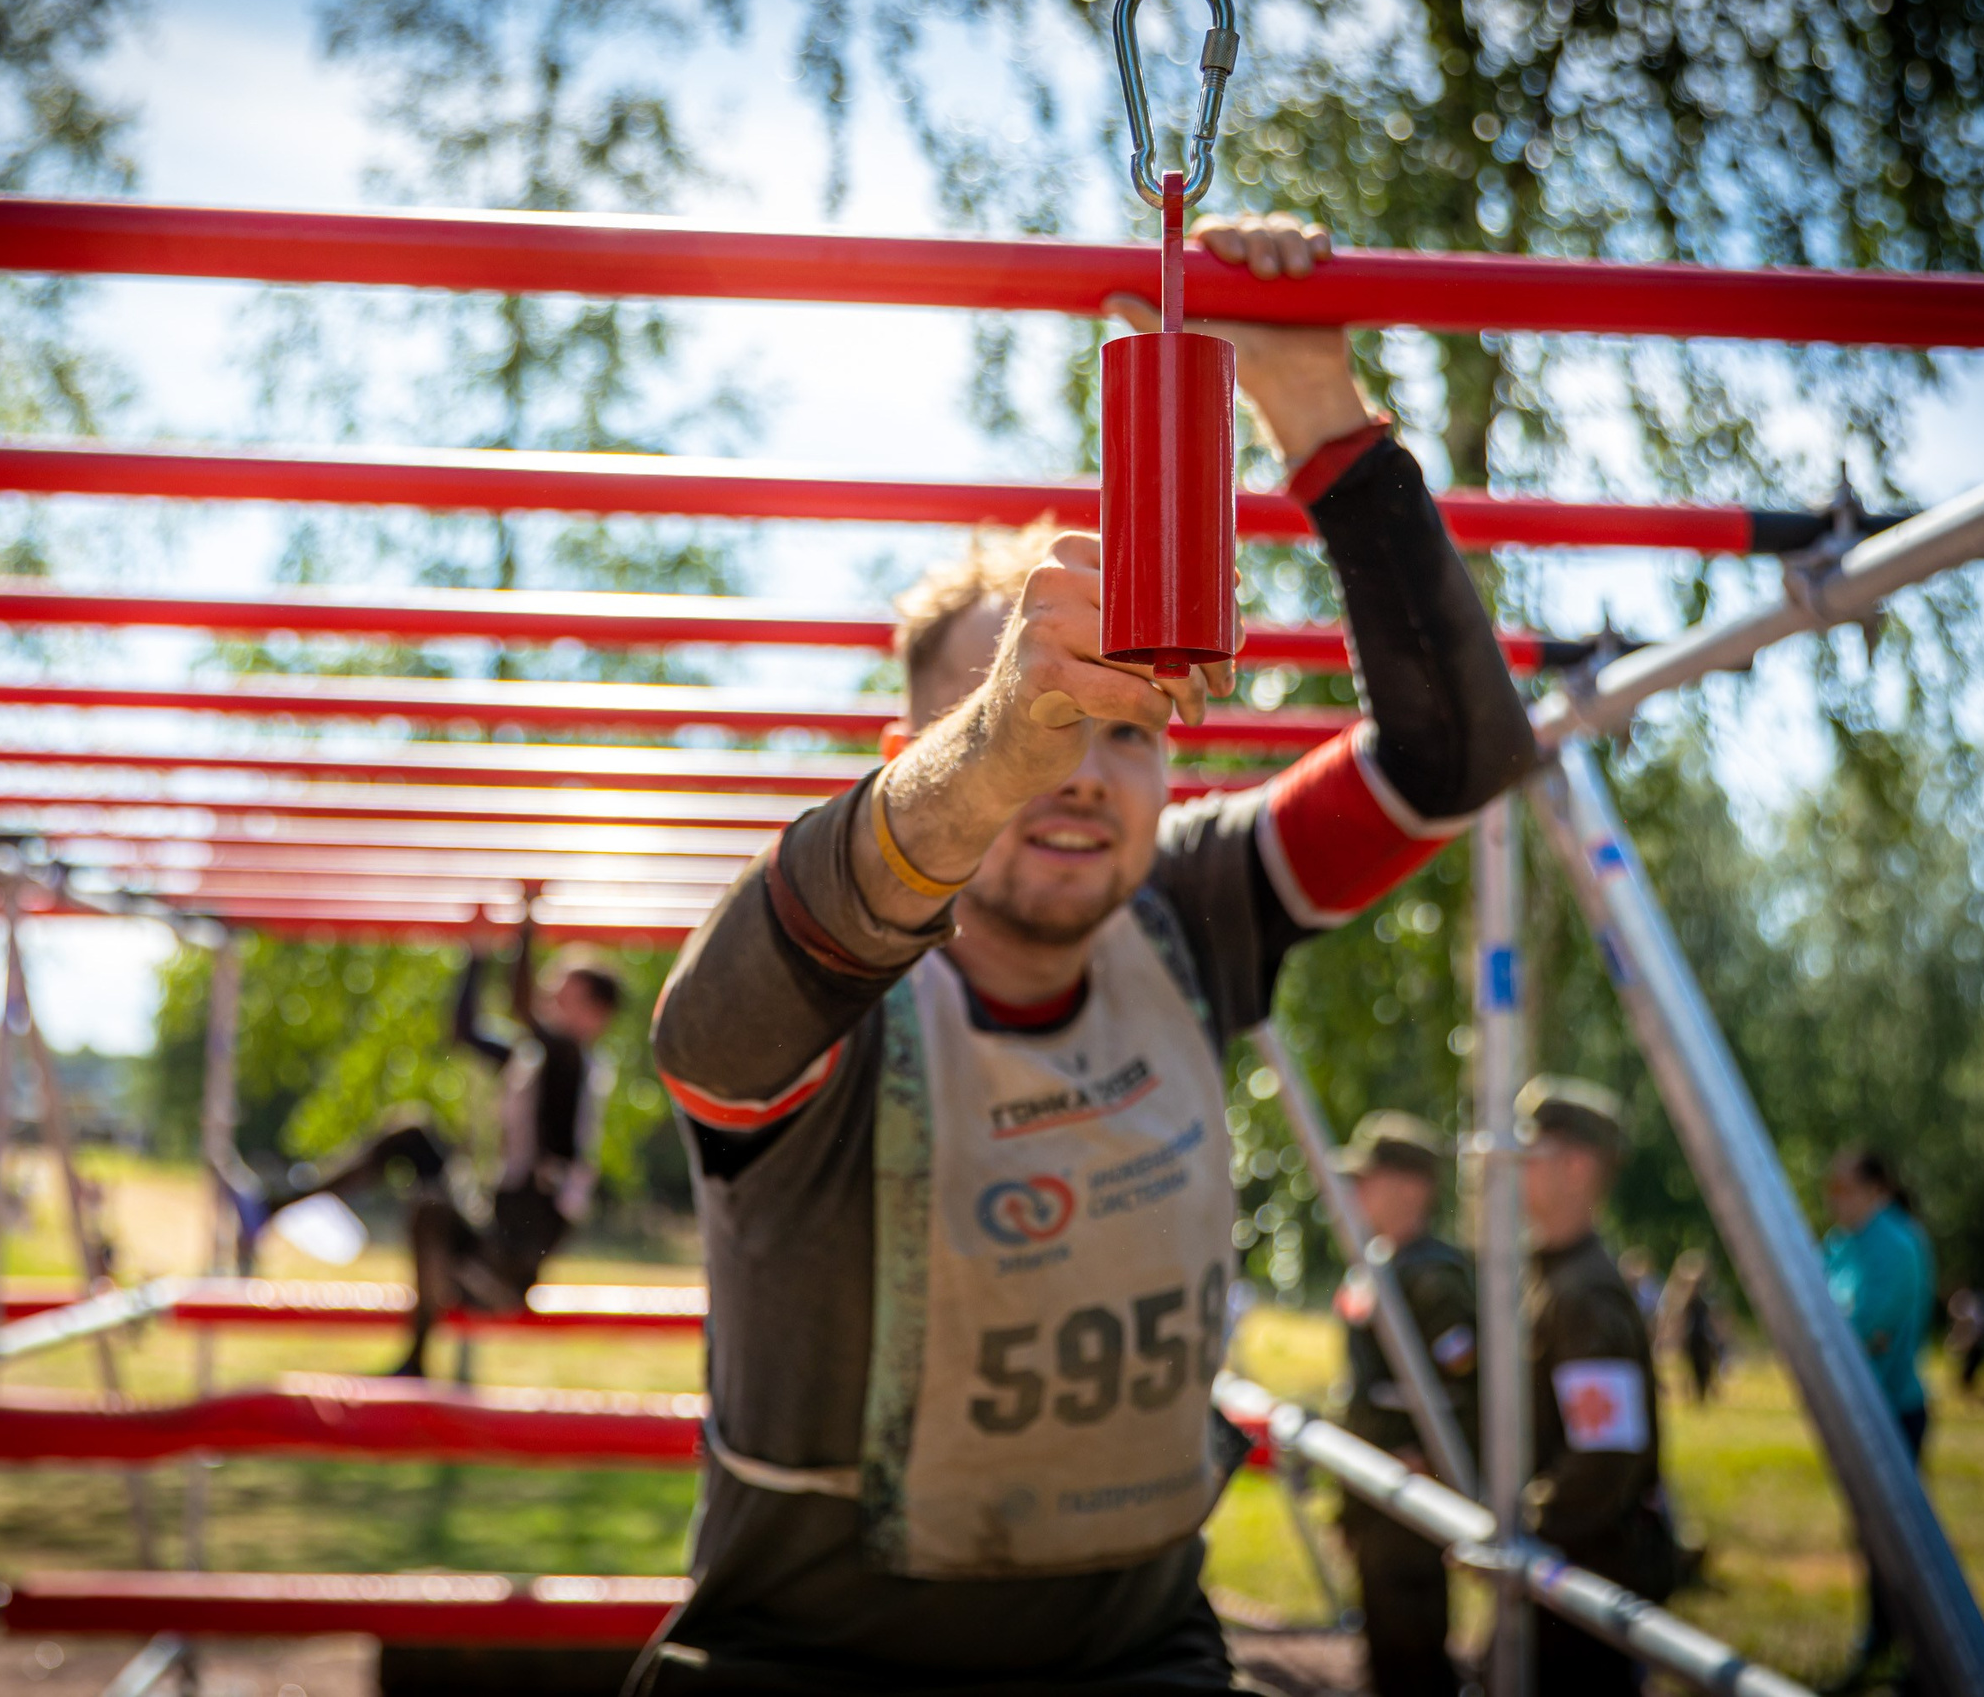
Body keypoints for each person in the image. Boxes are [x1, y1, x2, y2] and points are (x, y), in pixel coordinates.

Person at [639, 213, 1536, 1694]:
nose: (1078, 769)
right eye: (1031, 717)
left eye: (1125, 726)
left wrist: (1317, 414)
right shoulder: (843, 977)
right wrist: (987, 753)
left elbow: (1451, 758)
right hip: (798, 1668)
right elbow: (722, 1023)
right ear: (910, 751)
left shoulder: (1184, 909)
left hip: (1142, 1658)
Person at [236, 924, 625, 1376]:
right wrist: (476, 953)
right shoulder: (539, 1060)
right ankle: (274, 1205)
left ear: (595, 1017)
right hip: (494, 1233)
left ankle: (417, 1359)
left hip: (509, 1260)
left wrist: (524, 919)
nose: (546, 995)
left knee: (431, 1209)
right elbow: (464, 1031)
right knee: (412, 1133)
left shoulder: (571, 1063)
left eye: (563, 994)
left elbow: (518, 1008)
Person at [1514, 1075, 1676, 1697]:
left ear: (1577, 1168)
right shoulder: (1552, 1272)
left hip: (1585, 1566)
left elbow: (1604, 1453)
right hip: (1564, 1561)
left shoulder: (1583, 1292)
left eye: (1532, 1156)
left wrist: (1525, 1523)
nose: (1514, 1170)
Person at [1331, 1112, 1478, 1697]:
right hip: (1374, 1491)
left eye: (1371, 1178)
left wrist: (1434, 1459)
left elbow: (1467, 1384)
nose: (1357, 1191)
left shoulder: (1432, 1279)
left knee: (1412, 1650)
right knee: (1384, 1641)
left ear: (1414, 1187)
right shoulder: (1377, 1264)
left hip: (1408, 1494)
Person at [1820, 1147, 1936, 1695]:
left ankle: (1924, 1656)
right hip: (1860, 1412)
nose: (1832, 1199)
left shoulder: (1896, 1243)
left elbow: (1861, 1330)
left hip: (1892, 1413)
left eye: (1842, 1188)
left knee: (1902, 1542)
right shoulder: (1844, 1244)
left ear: (1876, 1189)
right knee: (1871, 1537)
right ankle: (1882, 1639)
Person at [1656, 1248, 1724, 1405]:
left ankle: (1705, 1394)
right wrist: (1670, 1336)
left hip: (1703, 1336)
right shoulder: (1677, 1295)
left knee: (1705, 1367)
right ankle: (1692, 1395)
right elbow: (1675, 1316)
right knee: (1690, 1367)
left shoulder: (1706, 1295)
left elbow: (1714, 1316)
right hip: (1690, 1336)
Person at [1944, 1286, 1984, 1400]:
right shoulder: (1969, 1311)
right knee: (1967, 1369)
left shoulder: (1971, 1314)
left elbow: (1972, 1335)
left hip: (1978, 1343)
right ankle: (1967, 1389)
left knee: (1970, 1368)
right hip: (1976, 1343)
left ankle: (1968, 1389)